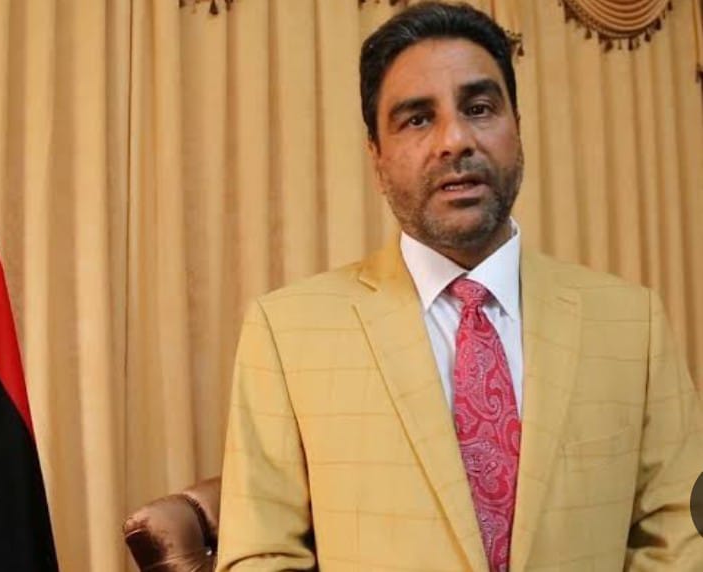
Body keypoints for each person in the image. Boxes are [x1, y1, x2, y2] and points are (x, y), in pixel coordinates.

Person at [215, 2, 703, 571]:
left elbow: (678, 533)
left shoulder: (632, 323)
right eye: (417, 119)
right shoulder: (288, 333)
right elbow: (260, 555)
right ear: (376, 156)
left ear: (517, 127)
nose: (455, 140)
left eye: (479, 108)